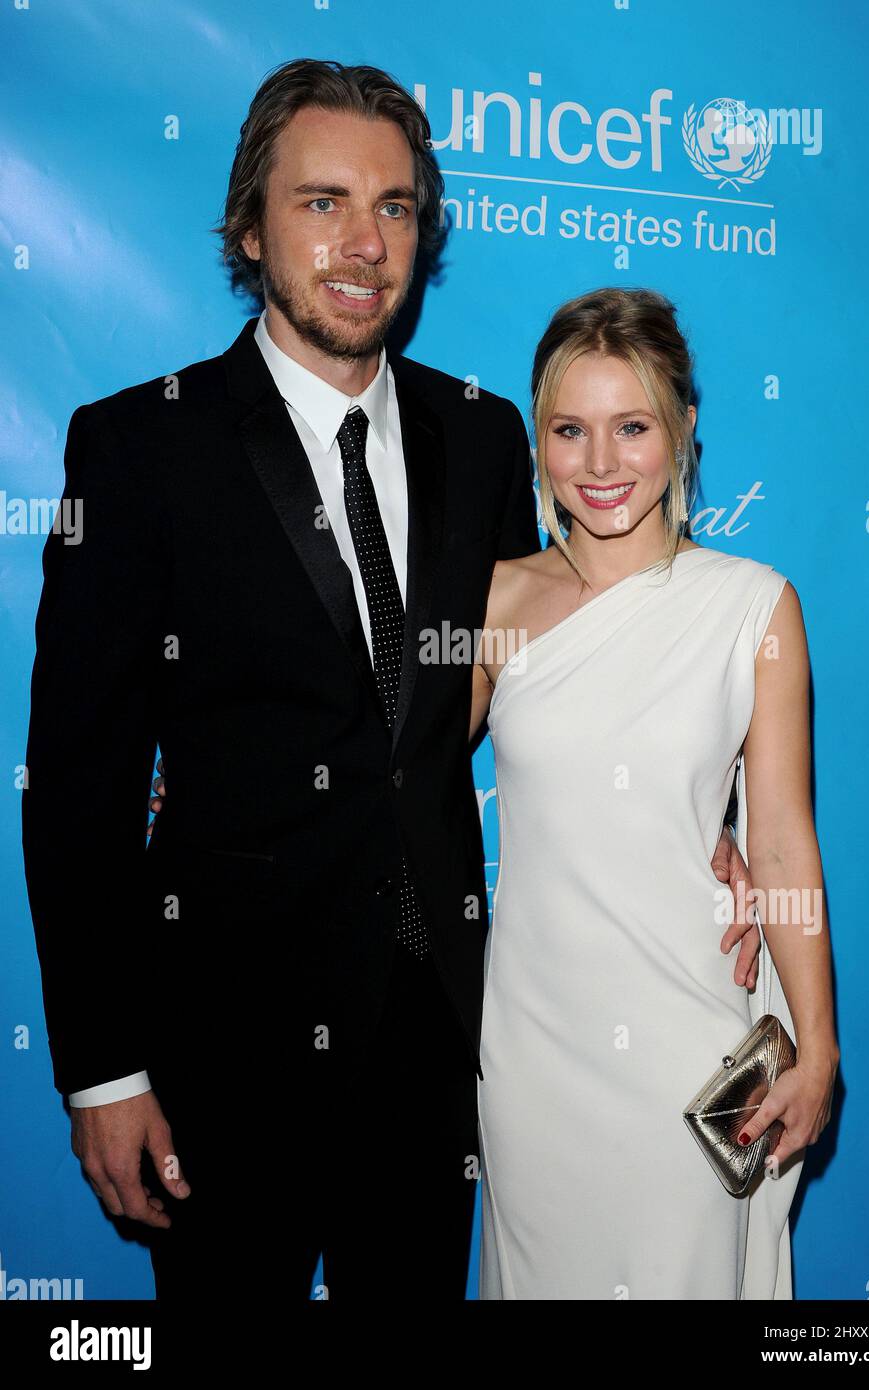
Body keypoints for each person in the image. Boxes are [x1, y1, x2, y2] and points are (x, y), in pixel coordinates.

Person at [23, 59, 758, 1304]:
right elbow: (77, 788)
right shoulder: (140, 446)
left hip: (443, 1056)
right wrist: (103, 1072)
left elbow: (587, 649)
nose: (366, 243)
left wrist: (713, 821)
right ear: (250, 230)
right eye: (322, 204)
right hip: (220, 1059)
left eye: (397, 207)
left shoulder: (479, 437)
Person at [469, 287, 840, 1300]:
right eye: (568, 430)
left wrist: (818, 1046)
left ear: (681, 431)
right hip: (532, 1049)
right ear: (537, 440)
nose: (599, 465)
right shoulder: (493, 601)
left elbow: (779, 847)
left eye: (631, 427)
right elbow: (386, 779)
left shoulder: (754, 605)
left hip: (691, 1040)